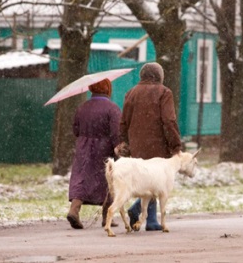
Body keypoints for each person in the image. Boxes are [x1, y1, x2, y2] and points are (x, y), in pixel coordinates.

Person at [118, 62, 182, 231]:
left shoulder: (131, 93)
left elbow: (124, 121)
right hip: (158, 143)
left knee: (148, 179)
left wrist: (127, 140)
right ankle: (144, 214)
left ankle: (147, 215)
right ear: (159, 76)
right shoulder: (164, 92)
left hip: (137, 143)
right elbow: (169, 121)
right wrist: (175, 145)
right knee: (156, 180)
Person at [67, 78, 121, 229]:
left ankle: (74, 210)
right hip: (104, 148)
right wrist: (118, 146)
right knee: (107, 180)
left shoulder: (82, 107)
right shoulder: (112, 108)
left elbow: (75, 130)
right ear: (107, 89)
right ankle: (107, 217)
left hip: (83, 148)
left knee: (82, 178)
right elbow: (116, 132)